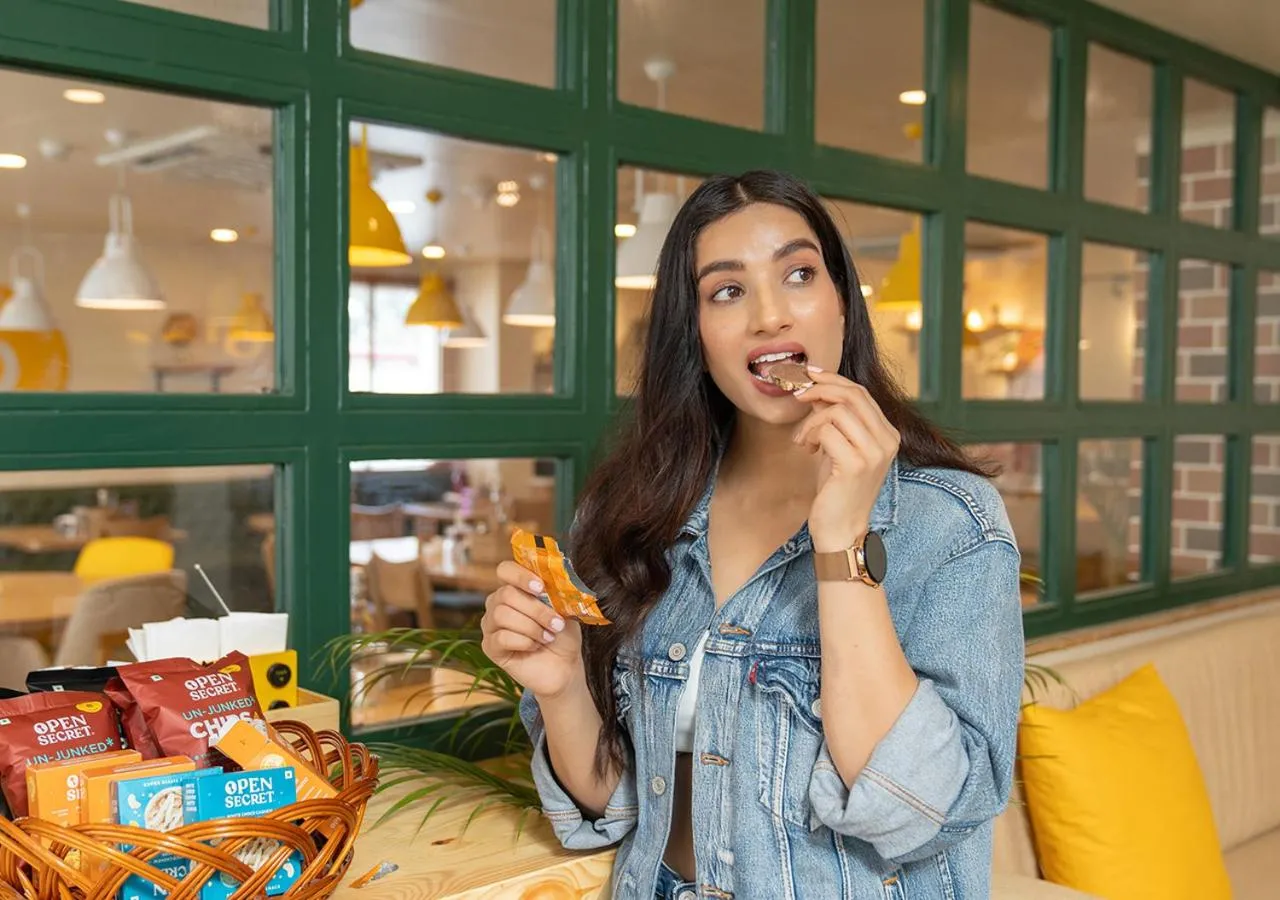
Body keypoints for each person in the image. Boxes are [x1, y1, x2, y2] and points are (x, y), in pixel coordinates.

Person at [481, 170, 1025, 899]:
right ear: (695, 332)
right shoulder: (635, 510)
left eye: (799, 274)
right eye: (727, 291)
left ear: (841, 305)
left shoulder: (953, 524)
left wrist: (841, 542)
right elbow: (614, 808)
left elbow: (917, 813)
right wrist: (561, 688)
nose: (770, 316)